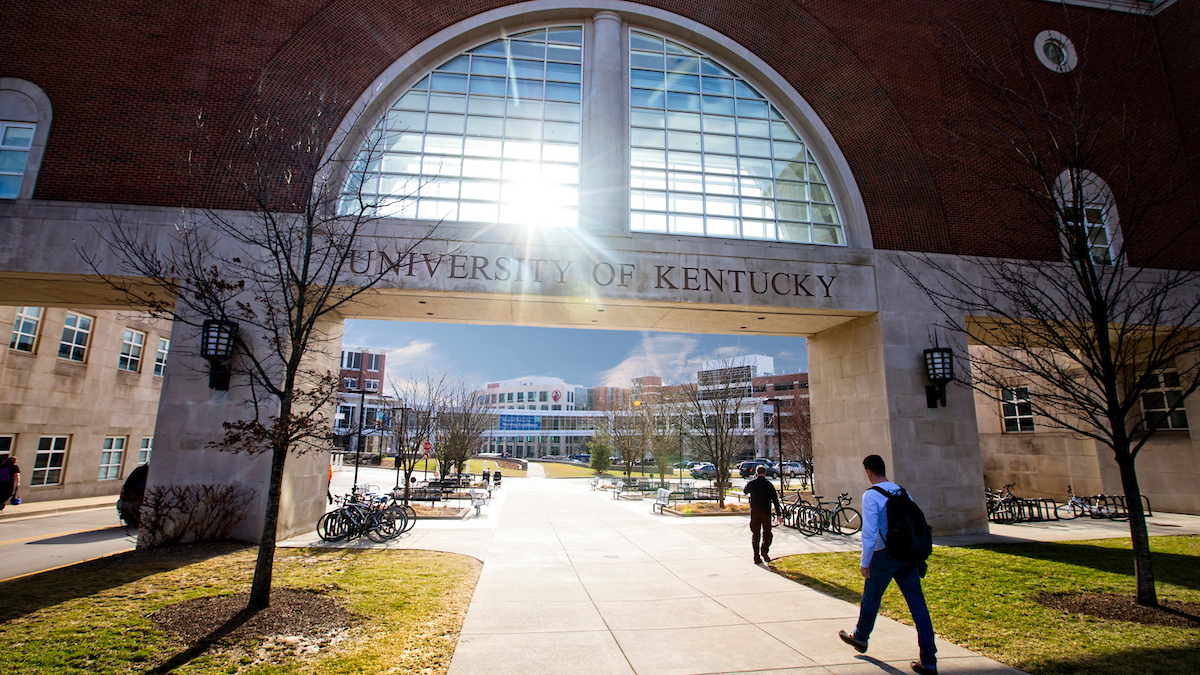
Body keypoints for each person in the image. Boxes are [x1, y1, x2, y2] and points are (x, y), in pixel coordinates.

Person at [839, 454, 937, 675]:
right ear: (883, 469)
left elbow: (871, 532)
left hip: (884, 555)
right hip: (908, 556)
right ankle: (929, 659)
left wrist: (865, 562)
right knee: (918, 606)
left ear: (868, 472)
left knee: (871, 597)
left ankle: (861, 637)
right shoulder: (902, 492)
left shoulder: (871, 495)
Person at [742, 464, 781, 564]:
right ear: (765, 473)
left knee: (756, 534)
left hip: (755, 511)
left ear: (756, 473)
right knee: (767, 533)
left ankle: (756, 556)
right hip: (765, 511)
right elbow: (775, 500)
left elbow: (745, 491)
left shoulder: (752, 483)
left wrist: (753, 479)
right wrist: (779, 514)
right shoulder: (768, 485)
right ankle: (764, 550)